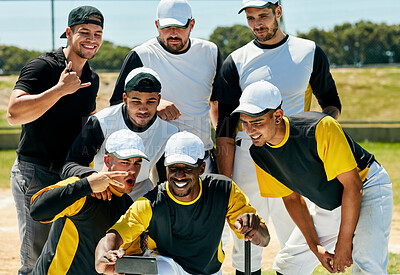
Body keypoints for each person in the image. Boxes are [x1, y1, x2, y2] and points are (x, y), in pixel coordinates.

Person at [215, 1, 342, 273]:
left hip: (295, 159)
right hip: (249, 157)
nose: (257, 24)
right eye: (250, 18)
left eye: (263, 15)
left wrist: (317, 147)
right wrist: (226, 183)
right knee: (246, 237)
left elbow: (330, 105)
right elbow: (225, 128)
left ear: (278, 12)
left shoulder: (308, 52)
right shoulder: (235, 60)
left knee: (295, 236)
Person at [233, 80, 393, 274]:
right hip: (331, 201)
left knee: (367, 264)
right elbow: (291, 198)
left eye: (257, 122)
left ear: (277, 116)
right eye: (245, 123)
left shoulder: (320, 127)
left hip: (368, 186)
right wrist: (315, 247)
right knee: (288, 265)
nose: (249, 131)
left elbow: (353, 186)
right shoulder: (259, 154)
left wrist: (343, 242)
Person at [6, 6, 104, 274]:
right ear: (69, 33)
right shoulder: (43, 67)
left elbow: (88, 121)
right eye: (84, 32)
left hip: (68, 175)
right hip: (36, 172)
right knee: (35, 257)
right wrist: (60, 90)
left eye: (97, 33)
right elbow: (14, 113)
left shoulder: (92, 78)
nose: (91, 39)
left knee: (63, 251)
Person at [94, 131, 271, 275]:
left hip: (209, 270)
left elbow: (264, 239)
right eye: (173, 168)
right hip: (167, 266)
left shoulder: (224, 190)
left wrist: (254, 227)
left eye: (187, 168)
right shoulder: (151, 203)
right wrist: (105, 255)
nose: (179, 175)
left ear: (201, 168)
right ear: (166, 168)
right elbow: (115, 235)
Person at [109, 0, 223, 173]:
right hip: (160, 161)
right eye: (166, 27)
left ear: (192, 24)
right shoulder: (141, 55)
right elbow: (116, 105)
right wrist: (151, 106)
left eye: (180, 27)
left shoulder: (210, 52)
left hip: (204, 157)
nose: (173, 33)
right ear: (156, 25)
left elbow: (218, 103)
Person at [30, 130, 148, 274]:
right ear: (107, 161)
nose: (132, 170)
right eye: (125, 162)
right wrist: (87, 186)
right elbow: (37, 210)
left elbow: (131, 262)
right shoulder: (82, 188)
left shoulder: (130, 208)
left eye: (137, 163)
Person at [61, 67, 178, 201]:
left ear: (159, 100)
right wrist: (91, 177)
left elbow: (165, 180)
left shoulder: (169, 133)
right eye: (136, 101)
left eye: (150, 101)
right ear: (124, 98)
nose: (143, 109)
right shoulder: (101, 121)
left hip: (140, 196)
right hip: (102, 192)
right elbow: (70, 164)